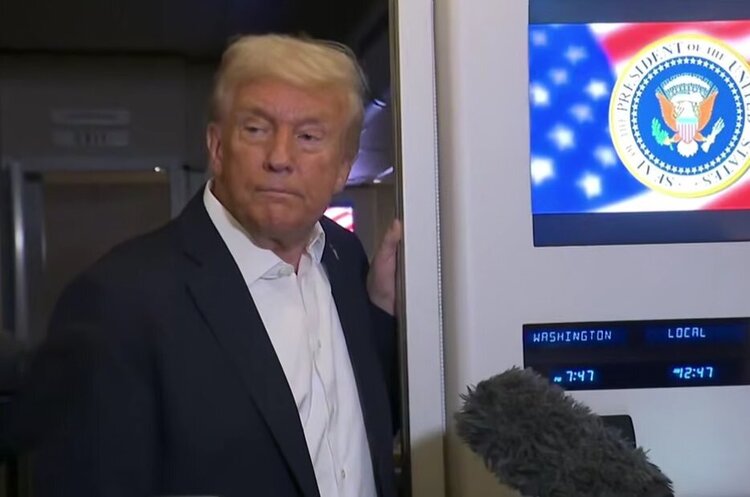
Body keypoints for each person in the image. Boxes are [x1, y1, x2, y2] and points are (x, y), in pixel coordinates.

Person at [15, 34, 402, 497]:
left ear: (342, 167)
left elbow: (356, 429)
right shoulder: (117, 304)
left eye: (308, 136)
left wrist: (382, 311)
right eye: (256, 129)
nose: (280, 158)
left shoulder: (344, 257)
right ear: (217, 147)